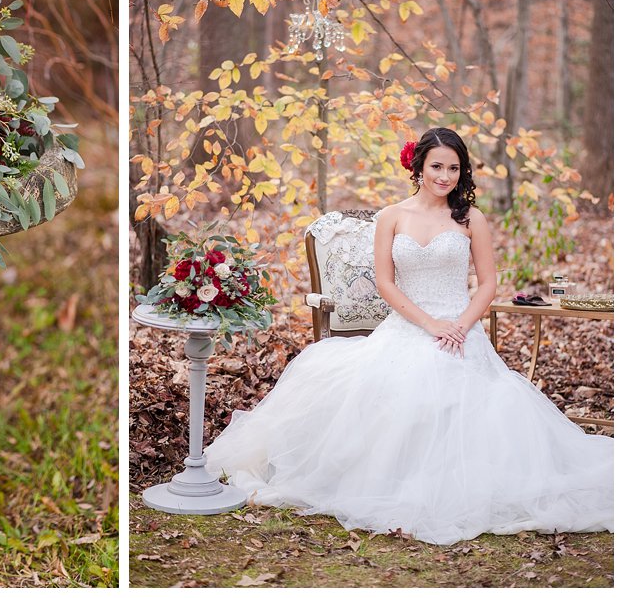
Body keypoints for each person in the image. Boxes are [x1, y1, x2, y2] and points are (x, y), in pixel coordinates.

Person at [203, 128, 613, 545]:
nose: (445, 176)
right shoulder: (392, 216)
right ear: (418, 166)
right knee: (390, 389)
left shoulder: (471, 219)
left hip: (461, 328)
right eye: (437, 166)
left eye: (454, 168)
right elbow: (386, 284)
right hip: (407, 326)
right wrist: (430, 325)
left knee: (470, 393)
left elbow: (488, 284)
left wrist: (459, 325)